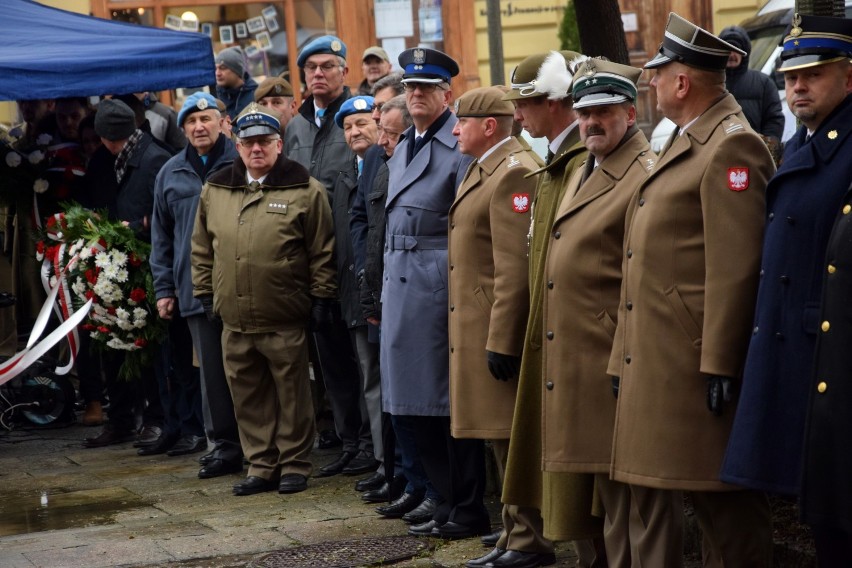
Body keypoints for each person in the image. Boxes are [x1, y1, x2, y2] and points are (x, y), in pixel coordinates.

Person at [606, 13, 776, 566]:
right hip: (666, 361)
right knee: (689, 497)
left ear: (682, 82)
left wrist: (721, 364)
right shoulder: (688, 140)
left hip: (697, 364)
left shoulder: (730, 147)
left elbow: (736, 267)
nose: (650, 83)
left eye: (657, 73)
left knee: (724, 509)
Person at [719, 14, 852, 564]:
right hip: (797, 350)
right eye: (791, 76)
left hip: (833, 359)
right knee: (823, 516)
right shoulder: (804, 143)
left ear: (849, 77)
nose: (797, 86)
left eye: (814, 74)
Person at [542, 58, 659, 566]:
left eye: (604, 111)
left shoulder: (641, 173)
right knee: (599, 495)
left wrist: (620, 352)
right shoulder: (587, 165)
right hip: (579, 356)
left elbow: (643, 279)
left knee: (628, 497)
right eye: (584, 110)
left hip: (612, 357)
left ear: (630, 114)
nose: (591, 121)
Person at [191, 103, 337, 496]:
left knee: (292, 394)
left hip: (284, 312)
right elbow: (202, 248)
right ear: (237, 146)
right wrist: (205, 293)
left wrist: (322, 297)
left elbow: (322, 250)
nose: (257, 149)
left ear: (279, 144)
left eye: (264, 142)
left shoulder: (305, 189)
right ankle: (261, 464)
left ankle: (294, 463)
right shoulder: (216, 189)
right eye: (249, 142)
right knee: (247, 393)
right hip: (233, 316)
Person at [500, 50, 605, 567]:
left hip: (578, 336)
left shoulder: (577, 162)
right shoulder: (558, 161)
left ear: (556, 102)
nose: (519, 117)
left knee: (582, 479)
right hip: (552, 331)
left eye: (528, 105)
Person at [380, 46, 490, 540]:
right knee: (410, 405)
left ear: (448, 93)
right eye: (410, 87)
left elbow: (469, 223)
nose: (416, 94)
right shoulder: (406, 143)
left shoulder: (457, 143)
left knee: (446, 406)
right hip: (402, 285)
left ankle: (465, 505)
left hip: (436, 285)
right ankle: (443, 498)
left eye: (426, 87)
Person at [445, 86, 545, 568]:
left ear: (489, 126)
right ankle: (513, 530)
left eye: (462, 121)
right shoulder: (490, 166)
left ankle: (528, 537)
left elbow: (513, 266)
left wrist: (503, 338)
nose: (454, 129)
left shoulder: (513, 171)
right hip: (479, 323)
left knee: (509, 432)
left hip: (495, 327)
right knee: (497, 434)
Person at [285, 35, 369, 479]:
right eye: (311, 67)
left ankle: (372, 446)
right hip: (311, 265)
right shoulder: (296, 126)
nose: (319, 74)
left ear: (344, 72)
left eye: (328, 66)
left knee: (362, 362)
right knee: (331, 361)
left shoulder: (356, 118)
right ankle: (349, 440)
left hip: (350, 260)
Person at [150, 92, 242, 475]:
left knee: (249, 368)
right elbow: (162, 235)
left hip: (243, 284)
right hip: (195, 290)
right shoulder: (170, 172)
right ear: (183, 128)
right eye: (191, 121)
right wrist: (164, 289)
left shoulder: (240, 160)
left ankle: (260, 443)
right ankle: (221, 444)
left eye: (206, 118)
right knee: (212, 375)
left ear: (222, 122)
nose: (199, 126)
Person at [84, 98, 172, 448]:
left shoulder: (156, 158)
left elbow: (164, 217)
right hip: (111, 270)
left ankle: (156, 418)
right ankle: (121, 419)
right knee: (111, 344)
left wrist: (132, 226)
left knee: (147, 349)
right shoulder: (103, 160)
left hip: (147, 267)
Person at [346, 72, 406, 497]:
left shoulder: (407, 153)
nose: (379, 126)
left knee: (404, 385)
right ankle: (389, 468)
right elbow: (361, 220)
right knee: (380, 382)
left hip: (405, 288)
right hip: (374, 286)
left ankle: (405, 474)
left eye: (384, 115)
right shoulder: (372, 162)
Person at [718, 25, 784, 147]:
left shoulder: (763, 83)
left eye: (737, 49)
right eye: (728, 49)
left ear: (745, 53)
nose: (732, 54)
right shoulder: (711, 83)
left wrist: (767, 147)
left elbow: (774, 119)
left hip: (754, 152)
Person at [215, 47, 258, 120]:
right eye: (216, 68)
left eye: (222, 68)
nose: (217, 73)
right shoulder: (216, 96)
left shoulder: (256, 95)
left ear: (237, 71)